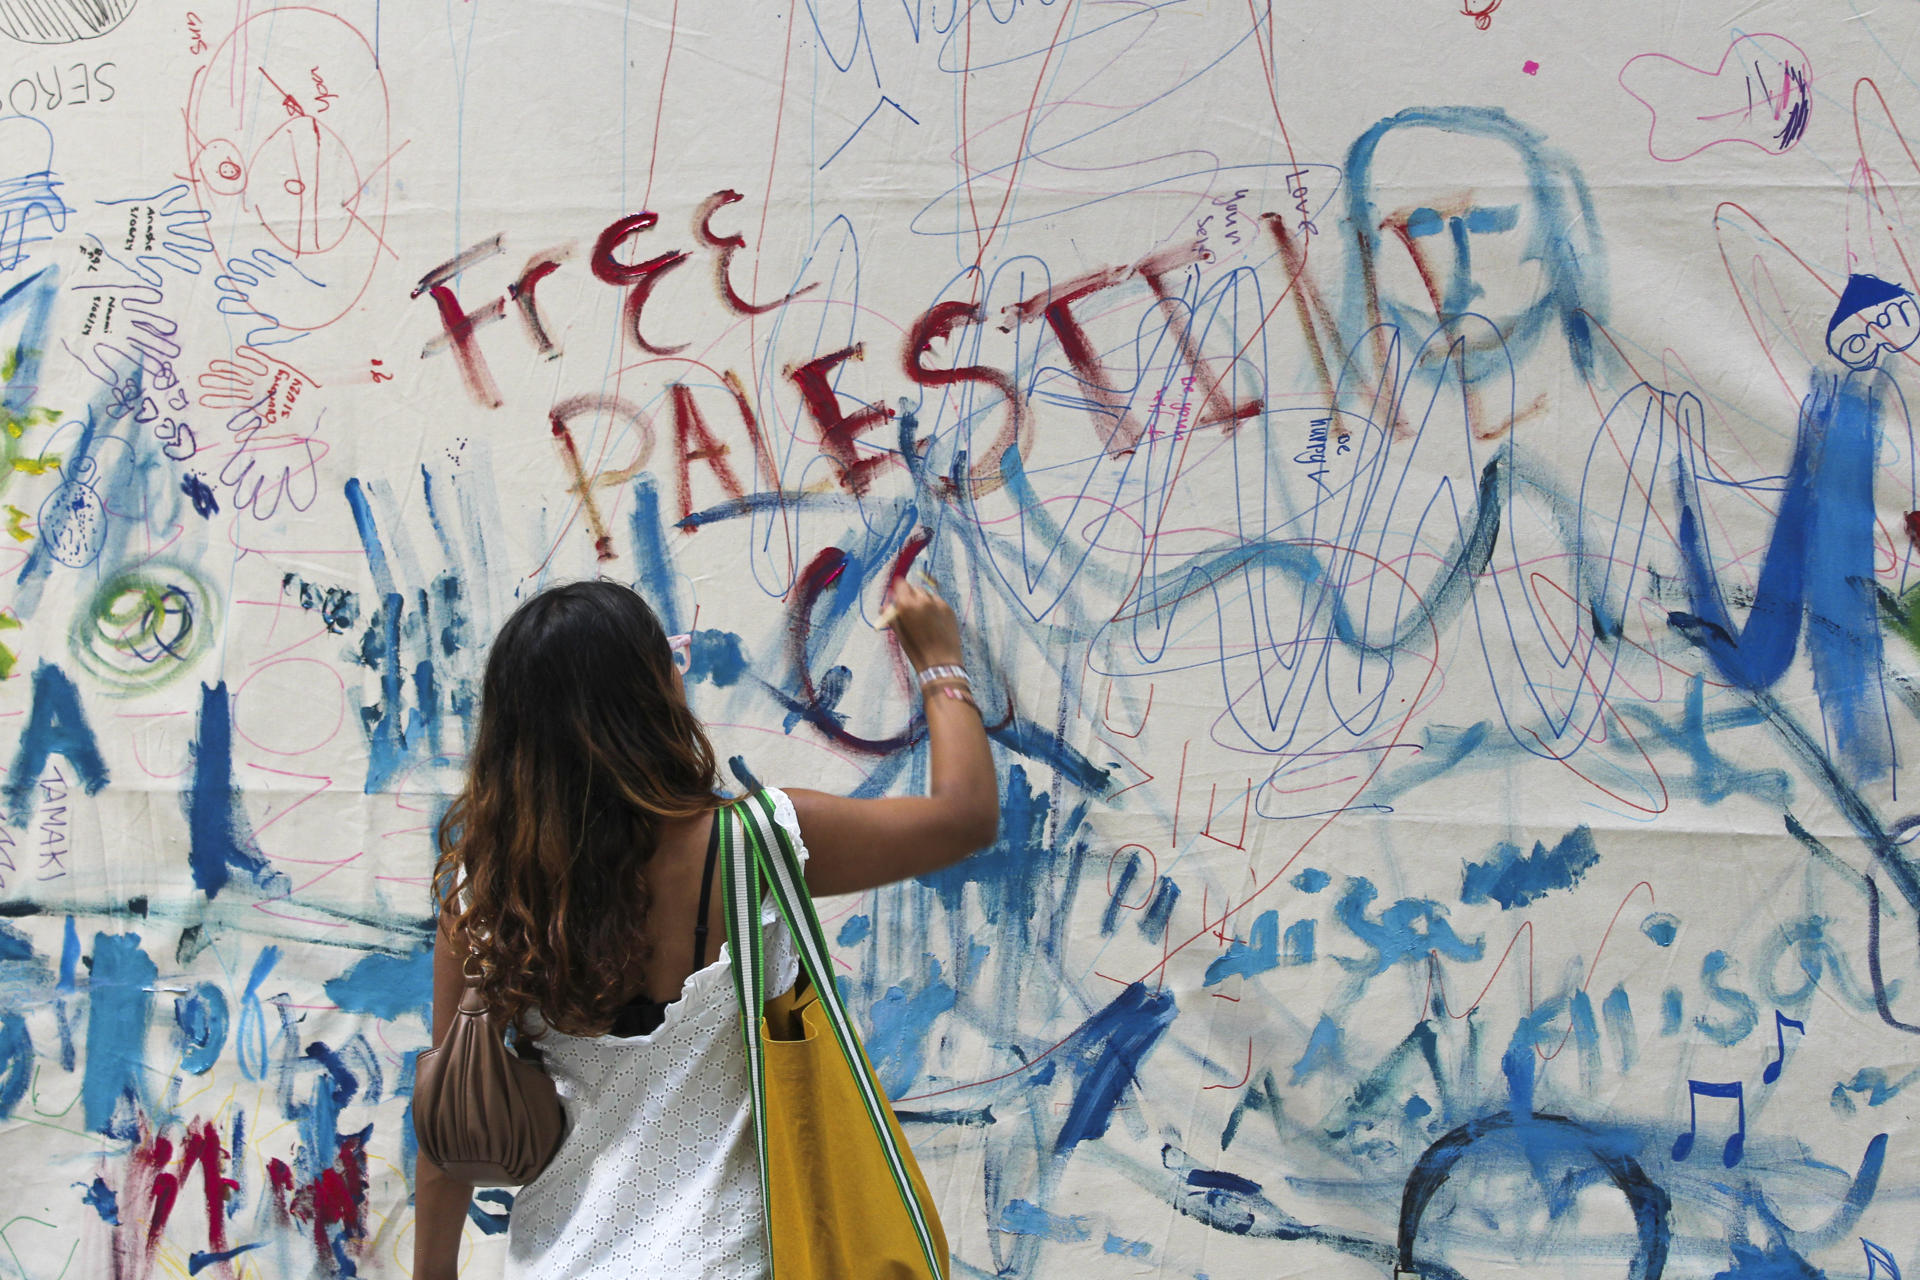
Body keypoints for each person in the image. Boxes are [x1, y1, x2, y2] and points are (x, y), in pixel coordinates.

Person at [411, 575, 998, 1279]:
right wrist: (938, 661)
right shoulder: (756, 845)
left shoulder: (488, 897)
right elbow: (964, 817)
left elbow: (444, 1122)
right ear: (652, 694)